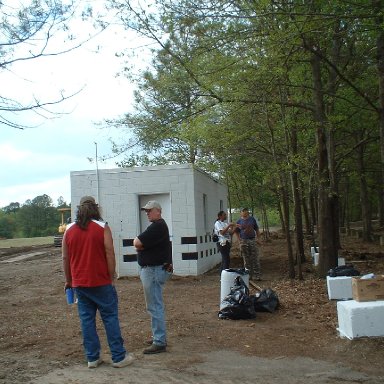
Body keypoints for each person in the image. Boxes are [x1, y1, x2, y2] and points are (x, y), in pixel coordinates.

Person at [62, 196, 134, 369]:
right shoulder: (103, 228)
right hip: (101, 282)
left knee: (87, 320)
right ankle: (118, 357)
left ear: (79, 209)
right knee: (110, 318)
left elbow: (65, 257)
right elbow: (109, 253)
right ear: (96, 208)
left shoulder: (69, 230)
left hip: (80, 283)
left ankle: (92, 358)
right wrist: (111, 276)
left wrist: (69, 281)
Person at [133, 200, 173, 354]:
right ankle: (158, 336)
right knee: (155, 304)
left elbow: (137, 242)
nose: (147, 213)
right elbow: (141, 244)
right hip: (154, 270)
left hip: (153, 270)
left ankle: (159, 341)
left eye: (150, 210)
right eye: (146, 211)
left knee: (154, 306)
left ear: (158, 211)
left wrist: (139, 245)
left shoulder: (157, 226)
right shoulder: (157, 226)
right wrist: (141, 245)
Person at [236, 207, 261, 281]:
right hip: (244, 241)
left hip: (252, 240)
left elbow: (256, 229)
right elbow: (236, 231)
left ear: (247, 212)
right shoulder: (239, 221)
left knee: (255, 257)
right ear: (241, 212)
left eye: (245, 211)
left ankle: (257, 275)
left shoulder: (252, 219)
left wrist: (258, 239)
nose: (244, 212)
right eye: (243, 211)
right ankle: (248, 275)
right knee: (246, 259)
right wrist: (239, 240)